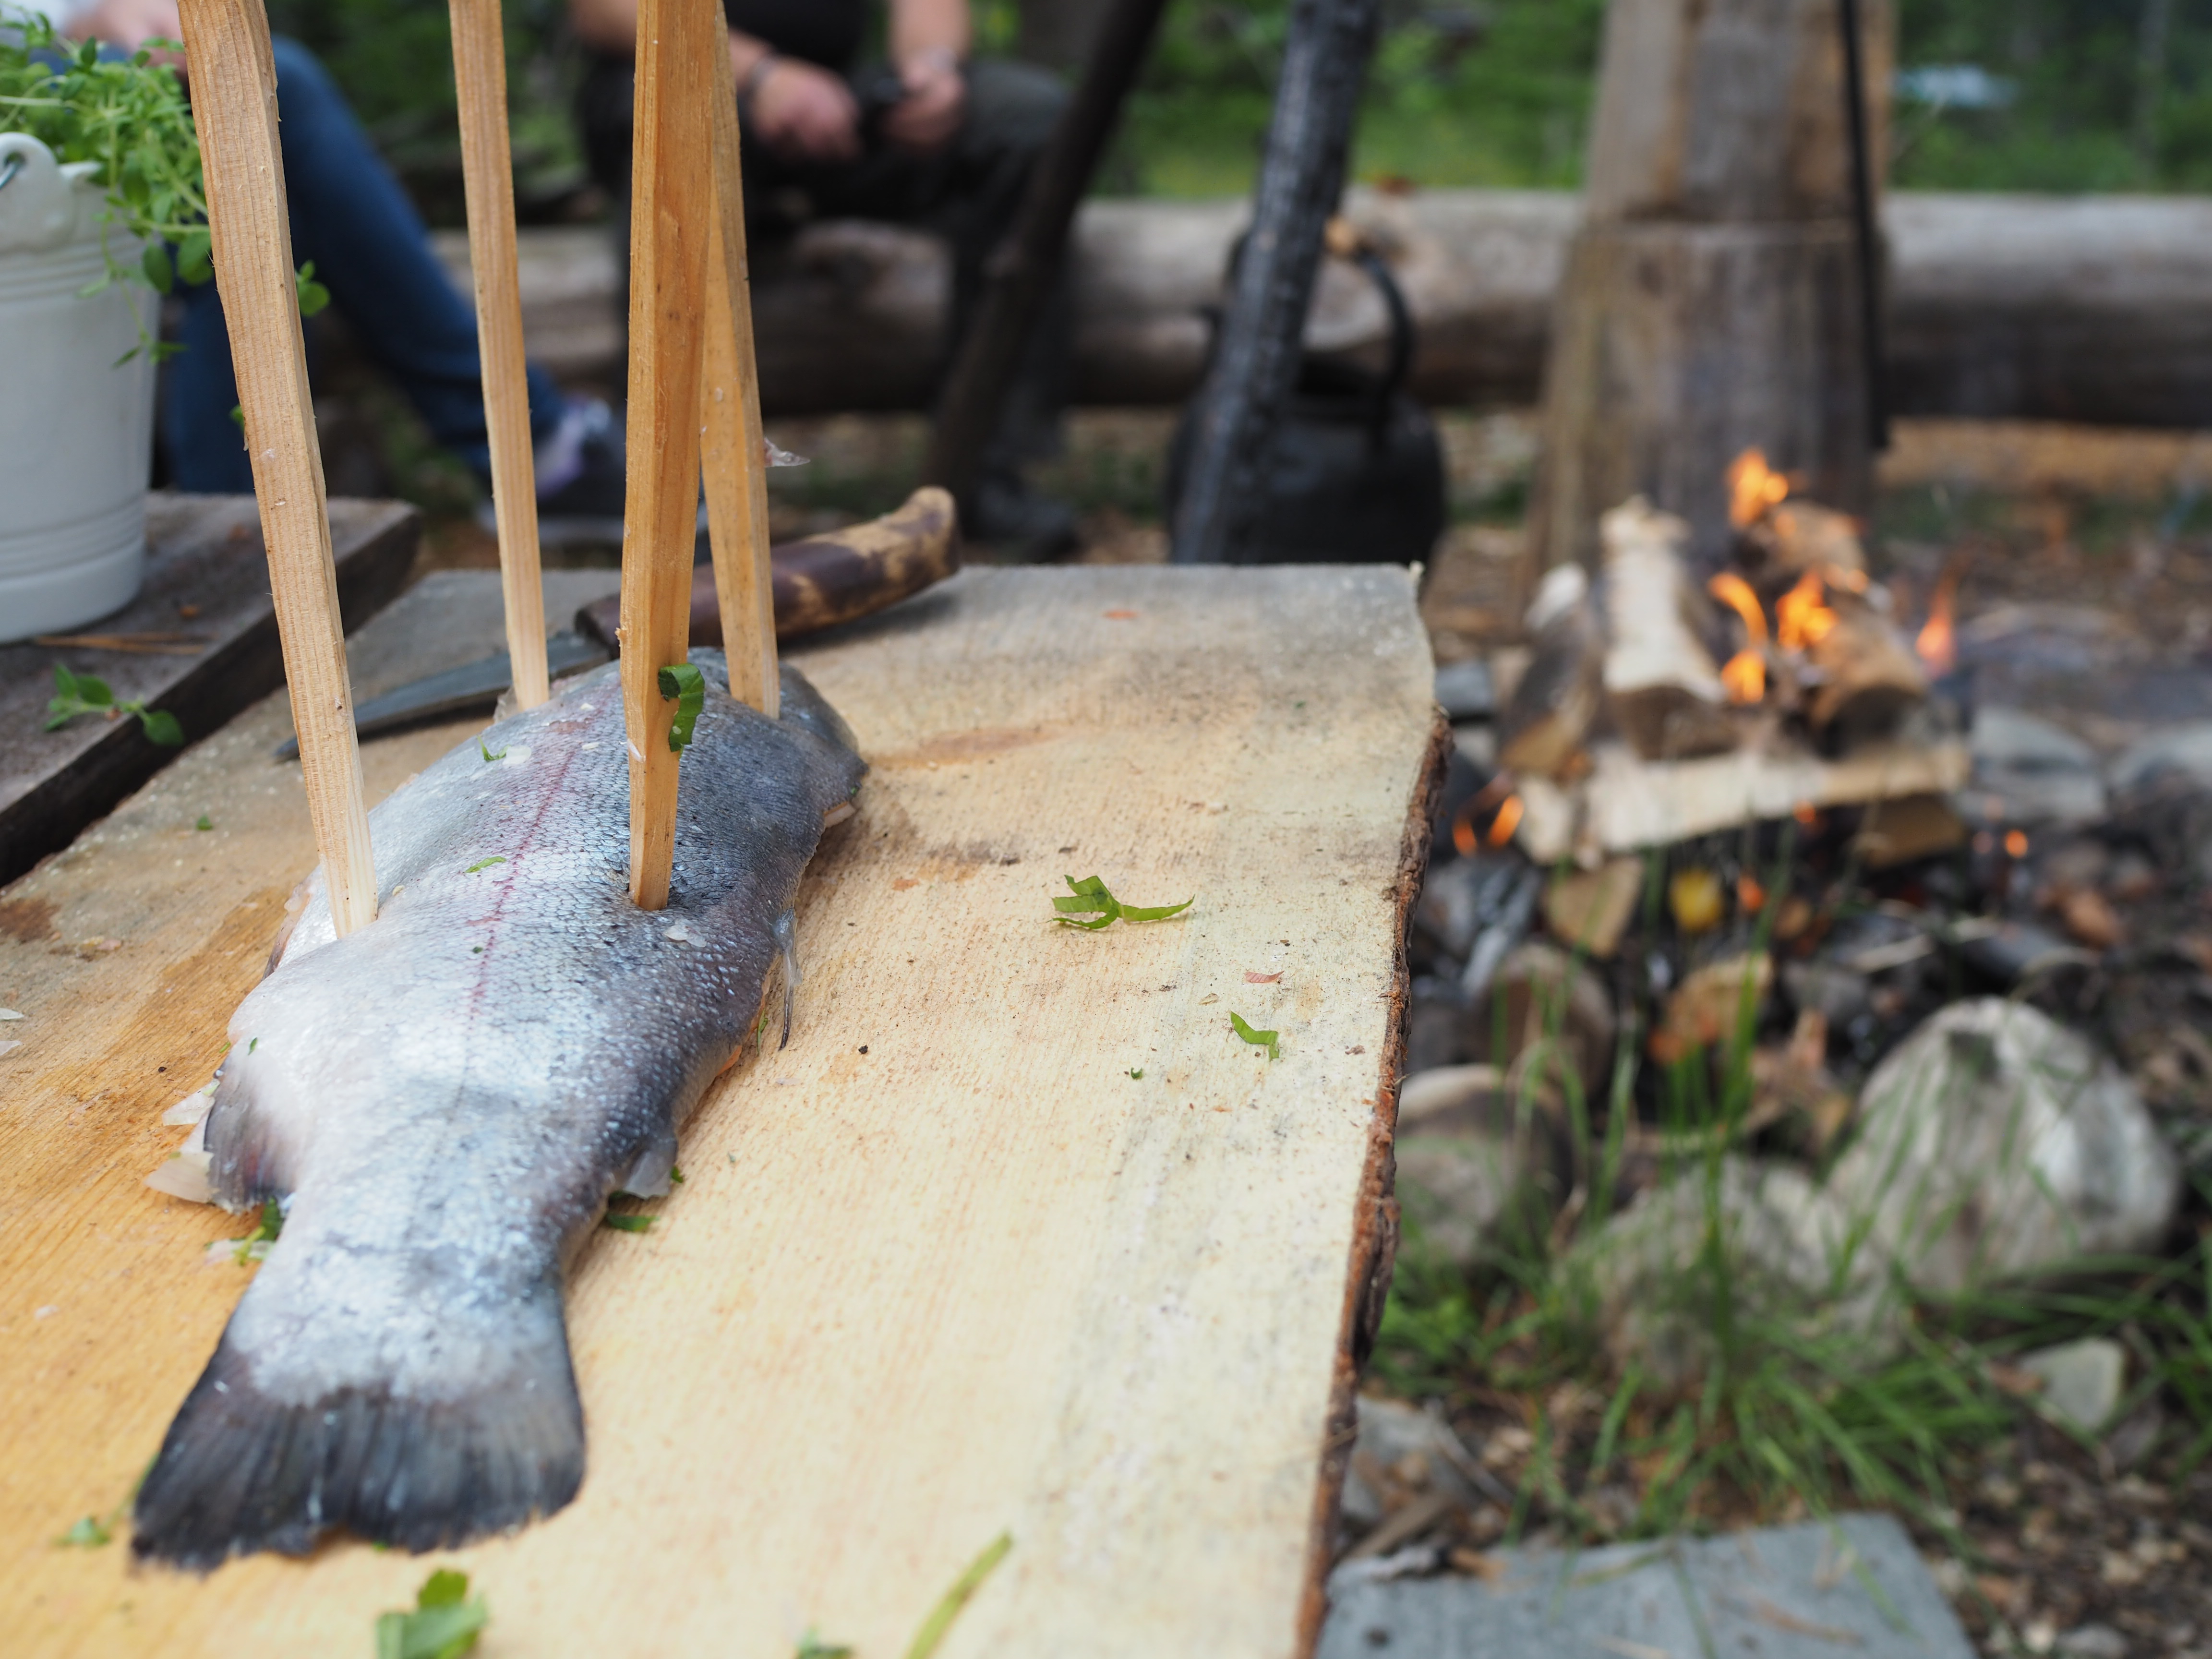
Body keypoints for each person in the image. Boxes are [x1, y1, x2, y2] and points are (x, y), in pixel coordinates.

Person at [22, 0, 626, 532]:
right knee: (268, 104)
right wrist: (78, 21)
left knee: (248, 204)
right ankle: (524, 443)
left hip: (89, 57)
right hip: (25, 78)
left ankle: (235, 537)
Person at [569, 0, 1078, 557]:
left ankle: (981, 468)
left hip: (835, 100)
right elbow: (599, 11)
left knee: (1028, 117)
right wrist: (761, 73)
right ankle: (669, 487)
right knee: (682, 110)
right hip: (669, 80)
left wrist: (932, 71)